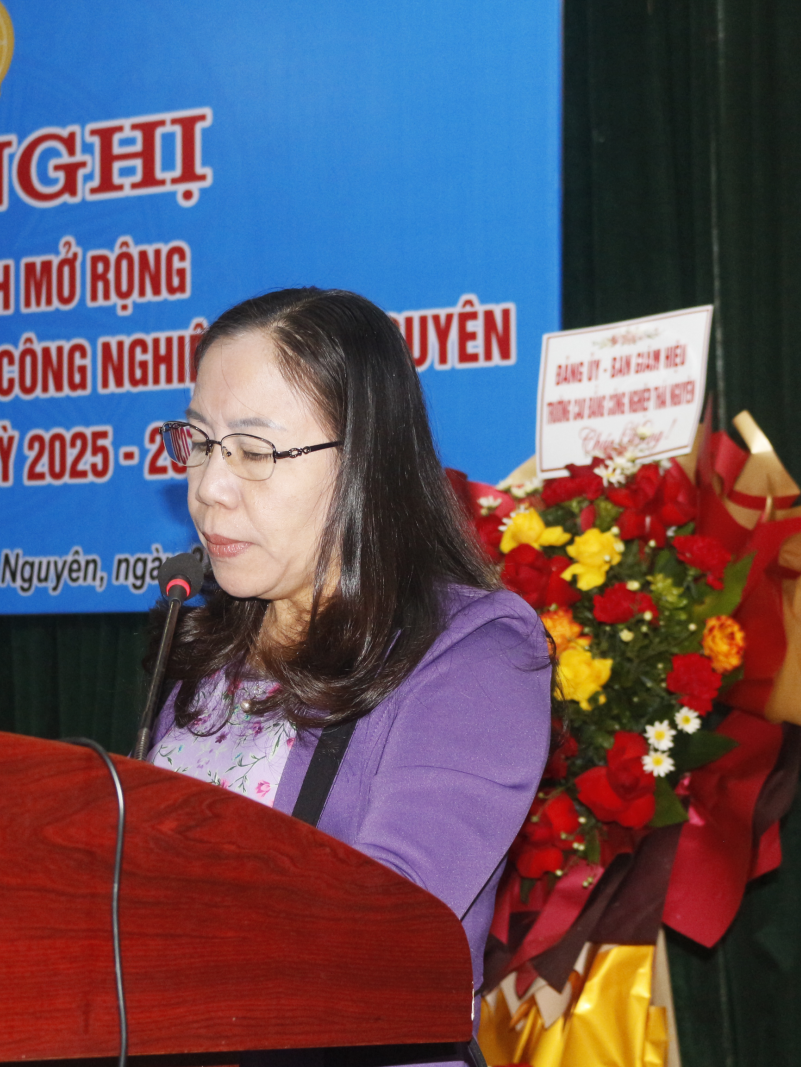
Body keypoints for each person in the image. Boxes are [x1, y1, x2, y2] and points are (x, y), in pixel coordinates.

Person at [146, 287, 552, 1065]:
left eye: (253, 451)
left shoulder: (471, 653)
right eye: (198, 442)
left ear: (365, 457)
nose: (209, 486)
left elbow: (381, 935)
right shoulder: (208, 650)